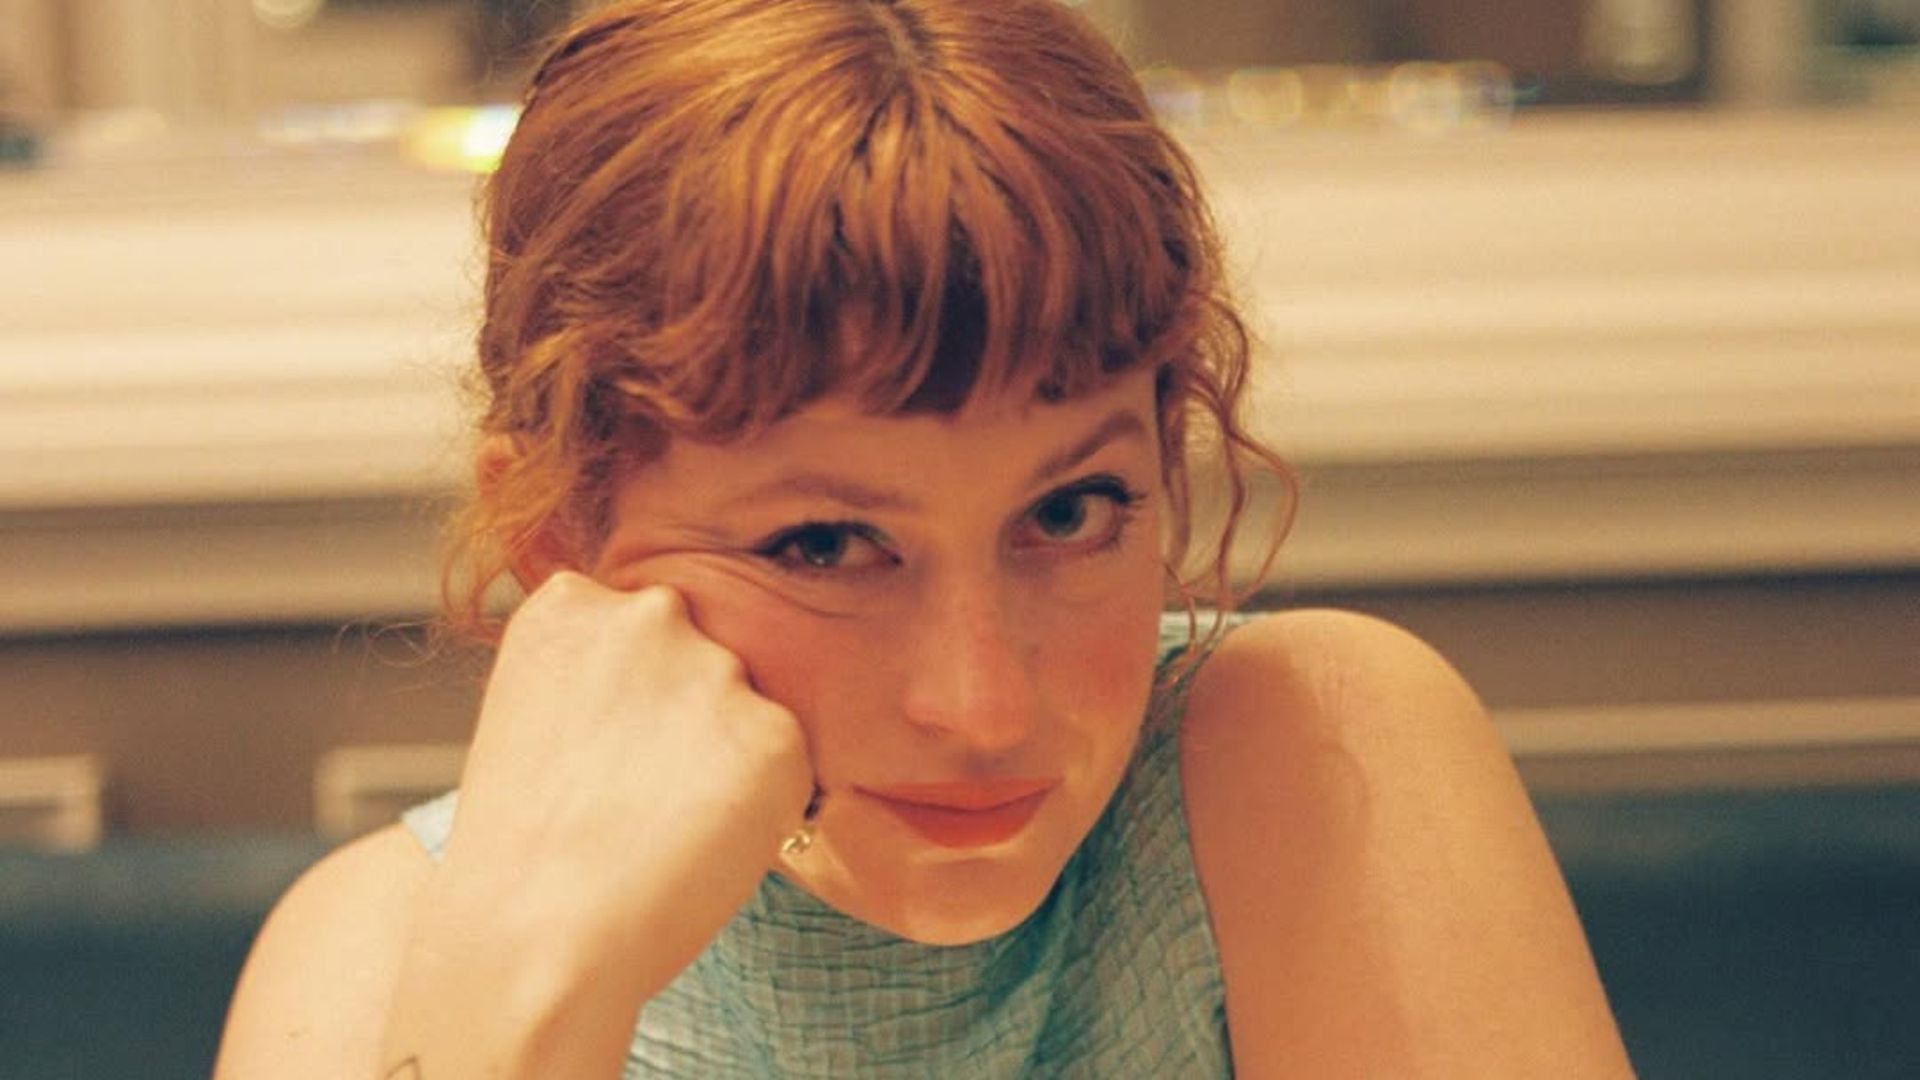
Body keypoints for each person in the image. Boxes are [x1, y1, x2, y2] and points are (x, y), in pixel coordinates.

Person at [215, 1, 1632, 1076]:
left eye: (1070, 514)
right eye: (825, 546)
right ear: (558, 545)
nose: (984, 705)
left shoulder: (1313, 760)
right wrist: (527, 999)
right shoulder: (371, 961)